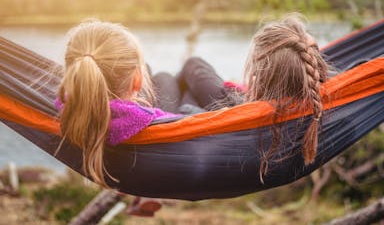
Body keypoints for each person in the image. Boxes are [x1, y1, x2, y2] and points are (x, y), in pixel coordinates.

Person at [168, 13, 329, 177]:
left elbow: (187, 110)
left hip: (231, 110)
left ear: (260, 74)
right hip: (241, 103)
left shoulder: (250, 119)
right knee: (190, 74)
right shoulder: (326, 99)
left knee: (172, 75)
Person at [56, 20, 180, 216]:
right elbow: (183, 122)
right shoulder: (149, 119)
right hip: (179, 127)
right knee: (190, 69)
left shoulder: (67, 110)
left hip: (135, 156)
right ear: (137, 80)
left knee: (165, 77)